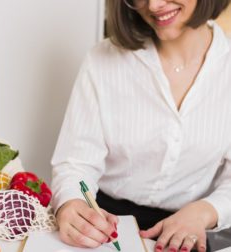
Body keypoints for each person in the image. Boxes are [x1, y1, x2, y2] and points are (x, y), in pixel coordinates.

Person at [51, 0, 231, 251]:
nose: (154, 5)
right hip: (105, 224)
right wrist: (71, 204)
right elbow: (76, 164)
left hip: (193, 230)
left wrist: (205, 212)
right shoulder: (103, 60)